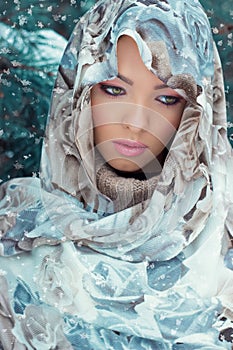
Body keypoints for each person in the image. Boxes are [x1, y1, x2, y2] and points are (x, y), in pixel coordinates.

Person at [0, 0, 233, 348]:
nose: (136, 123)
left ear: (196, 112)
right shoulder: (13, 230)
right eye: (113, 89)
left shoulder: (223, 240)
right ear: (78, 92)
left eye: (167, 98)